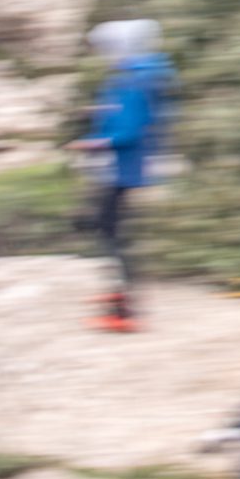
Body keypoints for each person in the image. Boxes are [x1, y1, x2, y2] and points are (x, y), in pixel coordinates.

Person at [80, 20, 173, 331]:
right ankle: (119, 294)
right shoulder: (140, 75)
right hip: (124, 166)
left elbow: (130, 130)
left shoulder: (133, 80)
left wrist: (95, 142)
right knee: (110, 229)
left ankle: (124, 308)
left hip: (122, 167)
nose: (104, 54)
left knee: (110, 232)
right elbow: (131, 118)